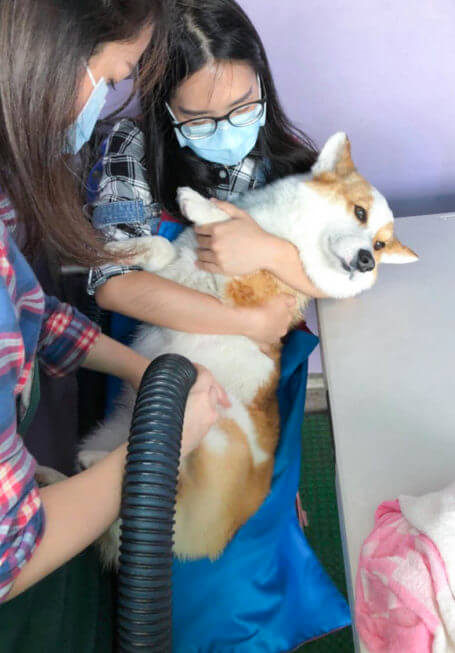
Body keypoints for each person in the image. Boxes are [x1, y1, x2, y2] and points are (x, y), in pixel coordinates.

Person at [0, 1, 228, 649]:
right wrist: (161, 445)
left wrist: (141, 369)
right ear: (45, 57)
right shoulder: (125, 155)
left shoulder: (6, 199)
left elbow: (30, 311)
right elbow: (8, 556)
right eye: (113, 76)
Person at [86, 0, 325, 365]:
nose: (227, 133)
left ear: (261, 82)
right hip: (159, 366)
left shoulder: (288, 161)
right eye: (198, 121)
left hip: (258, 367)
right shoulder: (132, 148)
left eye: (243, 108)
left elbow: (344, 271)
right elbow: (114, 284)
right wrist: (246, 322)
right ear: (165, 107)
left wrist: (270, 251)